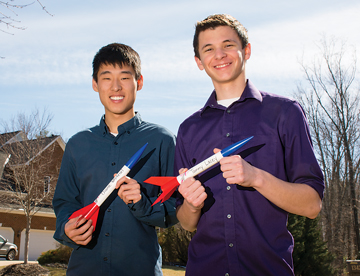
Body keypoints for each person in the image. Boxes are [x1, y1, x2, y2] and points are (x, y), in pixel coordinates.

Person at [175, 14, 324, 276]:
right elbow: (186, 223)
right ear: (199, 62)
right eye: (208, 49)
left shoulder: (285, 113)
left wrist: (256, 177)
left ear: (247, 50)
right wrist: (192, 205)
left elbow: (312, 205)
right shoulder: (188, 129)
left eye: (228, 45)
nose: (219, 54)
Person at [53, 43, 177, 276]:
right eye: (107, 77)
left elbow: (174, 209)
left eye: (125, 77)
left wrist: (143, 204)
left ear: (139, 82)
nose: (116, 87)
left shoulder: (162, 140)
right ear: (95, 84)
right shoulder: (77, 144)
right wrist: (66, 228)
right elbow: (65, 203)